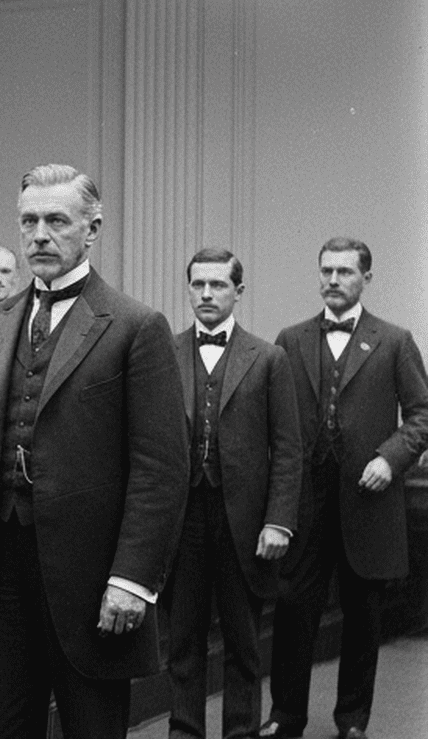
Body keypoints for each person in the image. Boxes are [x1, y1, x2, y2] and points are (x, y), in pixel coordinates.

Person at [0, 163, 189, 739]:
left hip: (92, 584)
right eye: (29, 221)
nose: (40, 234)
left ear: (92, 229)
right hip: (1, 573)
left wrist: (133, 579)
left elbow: (161, 471)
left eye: (56, 220)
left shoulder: (136, 326)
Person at [261, 238, 428, 739]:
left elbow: (422, 416)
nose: (333, 280)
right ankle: (284, 716)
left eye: (345, 272)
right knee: (292, 615)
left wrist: (389, 457)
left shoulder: (394, 340)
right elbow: (276, 420)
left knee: (363, 620)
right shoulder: (290, 339)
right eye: (326, 271)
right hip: (305, 504)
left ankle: (353, 720)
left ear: (365, 279)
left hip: (368, 502)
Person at [164, 248, 302, 739]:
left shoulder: (268, 358)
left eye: (218, 285)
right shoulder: (165, 351)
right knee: (182, 640)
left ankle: (240, 732)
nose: (206, 294)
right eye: (198, 284)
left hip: (244, 523)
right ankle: (184, 731)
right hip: (182, 521)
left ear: (238, 291)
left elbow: (288, 448)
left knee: (242, 643)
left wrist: (278, 520)